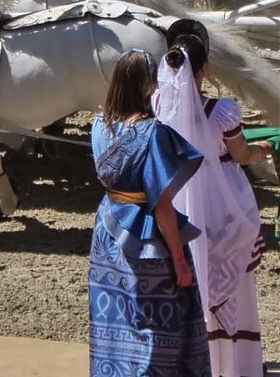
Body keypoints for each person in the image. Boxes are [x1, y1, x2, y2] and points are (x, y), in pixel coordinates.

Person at [153, 19, 273, 377]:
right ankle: (234, 366)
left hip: (180, 206)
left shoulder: (158, 104)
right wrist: (264, 150)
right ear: (205, 67)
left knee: (187, 282)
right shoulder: (222, 111)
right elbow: (240, 155)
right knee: (233, 286)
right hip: (224, 207)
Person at [88, 48, 211, 376]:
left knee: (116, 316)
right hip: (146, 239)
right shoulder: (153, 133)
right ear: (146, 87)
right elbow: (161, 204)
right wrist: (179, 258)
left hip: (107, 231)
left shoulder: (100, 124)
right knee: (156, 328)